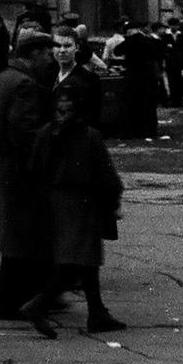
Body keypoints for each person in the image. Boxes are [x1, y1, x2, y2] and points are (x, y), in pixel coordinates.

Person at [20, 88, 126, 338]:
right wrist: (114, 202)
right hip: (83, 202)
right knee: (78, 261)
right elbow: (106, 175)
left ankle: (97, 311)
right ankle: (38, 305)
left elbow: (35, 167)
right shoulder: (89, 136)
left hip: (57, 202)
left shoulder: (47, 132)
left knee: (84, 259)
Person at [0, 31, 54, 319]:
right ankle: (11, 304)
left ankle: (26, 299)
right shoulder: (26, 84)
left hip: (5, 166)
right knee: (23, 237)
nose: (50, 58)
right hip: (20, 170)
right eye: (47, 53)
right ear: (35, 53)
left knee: (19, 236)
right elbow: (25, 130)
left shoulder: (4, 77)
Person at [52, 25, 101, 128]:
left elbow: (93, 116)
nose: (62, 50)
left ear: (77, 47)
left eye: (67, 46)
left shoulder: (89, 79)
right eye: (58, 46)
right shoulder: (47, 76)